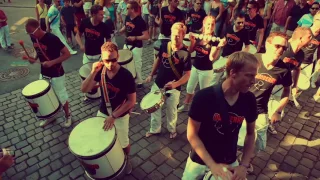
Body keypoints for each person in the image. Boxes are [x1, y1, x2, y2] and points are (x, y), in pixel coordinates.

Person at [182, 51, 259, 180]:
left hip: (230, 162)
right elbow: (192, 134)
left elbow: (251, 134)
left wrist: (244, 165)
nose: (254, 81)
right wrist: (212, 165)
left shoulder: (249, 99)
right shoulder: (204, 97)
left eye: (254, 76)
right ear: (233, 73)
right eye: (249, 76)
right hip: (199, 162)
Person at [81, 41, 136, 174]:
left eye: (114, 60)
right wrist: (93, 72)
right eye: (106, 60)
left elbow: (131, 101)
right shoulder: (100, 72)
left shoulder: (126, 76)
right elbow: (84, 89)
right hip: (103, 110)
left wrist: (114, 116)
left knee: (123, 143)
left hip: (120, 114)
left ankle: (126, 159)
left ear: (118, 57)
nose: (110, 64)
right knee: (101, 138)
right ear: (101, 57)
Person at [246, 32, 295, 172]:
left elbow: (287, 91)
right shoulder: (252, 59)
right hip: (240, 106)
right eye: (277, 45)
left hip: (260, 110)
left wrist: (278, 111)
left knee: (258, 142)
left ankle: (247, 161)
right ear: (267, 44)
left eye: (284, 48)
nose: (280, 50)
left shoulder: (283, 70)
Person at [145, 22, 191, 139]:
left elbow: (187, 75)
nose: (175, 38)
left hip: (174, 87)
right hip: (159, 82)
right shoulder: (164, 45)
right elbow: (158, 60)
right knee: (154, 107)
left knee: (171, 110)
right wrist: (151, 74)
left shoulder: (186, 53)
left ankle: (172, 129)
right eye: (173, 35)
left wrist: (176, 84)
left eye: (178, 36)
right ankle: (155, 129)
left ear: (183, 36)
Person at [24, 18, 72, 128]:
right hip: (44, 72)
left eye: (31, 32)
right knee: (45, 96)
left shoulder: (52, 39)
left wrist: (51, 62)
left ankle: (68, 115)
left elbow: (67, 54)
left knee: (61, 96)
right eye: (28, 33)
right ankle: (50, 116)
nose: (30, 35)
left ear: (38, 28)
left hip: (57, 72)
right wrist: (33, 58)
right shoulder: (33, 37)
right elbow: (38, 50)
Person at [178, 16, 226, 112]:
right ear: (204, 24)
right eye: (208, 24)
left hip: (206, 70)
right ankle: (186, 106)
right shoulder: (198, 35)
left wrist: (219, 47)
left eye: (212, 24)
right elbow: (190, 51)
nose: (210, 26)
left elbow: (211, 57)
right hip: (195, 67)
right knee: (189, 88)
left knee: (203, 92)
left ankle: (202, 110)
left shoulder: (214, 39)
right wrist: (192, 42)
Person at [278, 27, 312, 126]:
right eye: (309, 37)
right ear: (300, 38)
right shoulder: (283, 49)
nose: (311, 40)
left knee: (279, 109)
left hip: (285, 86)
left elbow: (297, 69)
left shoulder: (301, 54)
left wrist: (294, 85)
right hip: (272, 82)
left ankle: (270, 124)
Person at [119, 1, 149, 89]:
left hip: (136, 46)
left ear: (132, 9)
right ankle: (128, 80)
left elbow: (146, 36)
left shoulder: (140, 21)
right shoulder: (128, 17)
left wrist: (135, 38)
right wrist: (122, 30)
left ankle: (139, 81)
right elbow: (127, 26)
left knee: (137, 65)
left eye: (128, 8)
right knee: (125, 63)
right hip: (127, 44)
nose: (126, 9)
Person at [298, 12, 320, 88]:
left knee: (303, 86)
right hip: (297, 61)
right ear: (314, 20)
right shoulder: (304, 30)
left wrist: (318, 62)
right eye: (318, 20)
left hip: (308, 63)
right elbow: (292, 45)